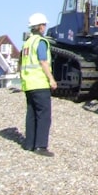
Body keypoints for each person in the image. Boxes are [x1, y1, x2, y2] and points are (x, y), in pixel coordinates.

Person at [20, 13, 58, 156]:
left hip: (28, 84)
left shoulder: (27, 43)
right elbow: (43, 61)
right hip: (39, 83)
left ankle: (29, 144)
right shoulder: (40, 42)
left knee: (31, 114)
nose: (45, 27)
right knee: (44, 115)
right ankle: (41, 146)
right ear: (40, 26)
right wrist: (51, 79)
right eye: (44, 25)